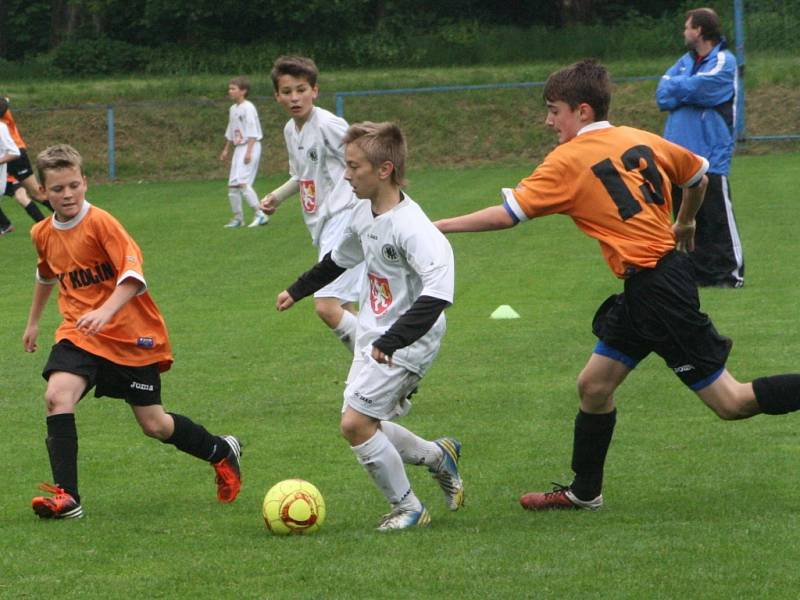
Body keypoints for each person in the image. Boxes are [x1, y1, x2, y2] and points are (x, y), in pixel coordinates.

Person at [435, 59, 800, 512]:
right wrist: (683, 222)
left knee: (731, 401)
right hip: (650, 283)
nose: (549, 121)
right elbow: (697, 176)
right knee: (594, 386)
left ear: (582, 111)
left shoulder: (569, 158)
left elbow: (508, 215)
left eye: (554, 111)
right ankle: (584, 492)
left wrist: (441, 225)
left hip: (659, 293)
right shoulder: (637, 136)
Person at [23, 144, 243, 520]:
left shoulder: (102, 224)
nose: (68, 194)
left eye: (73, 185)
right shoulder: (42, 233)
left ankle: (220, 450)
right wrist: (33, 322)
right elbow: (46, 274)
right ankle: (67, 497)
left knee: (154, 425)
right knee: (57, 396)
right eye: (57, 189)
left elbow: (132, 276)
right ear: (43, 192)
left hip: (130, 336)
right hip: (80, 333)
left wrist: (106, 312)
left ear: (85, 182)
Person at [276, 122, 464, 530]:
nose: (345, 175)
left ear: (384, 170)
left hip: (408, 341)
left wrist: (394, 341)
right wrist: (297, 290)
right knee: (365, 421)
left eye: (354, 167)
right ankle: (437, 456)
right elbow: (337, 261)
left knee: (355, 424)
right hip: (374, 333)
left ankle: (409, 508)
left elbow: (438, 293)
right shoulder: (363, 213)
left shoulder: (414, 229)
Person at [261, 56, 363, 354]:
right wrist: (276, 197)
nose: (295, 97)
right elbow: (301, 175)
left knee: (326, 306)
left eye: (301, 89)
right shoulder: (291, 131)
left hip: (346, 218)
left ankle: (385, 368)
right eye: (287, 91)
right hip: (323, 224)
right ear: (277, 96)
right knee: (345, 307)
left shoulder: (330, 125)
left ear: (315, 91)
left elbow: (361, 160)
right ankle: (382, 380)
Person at [656, 8, 744, 288]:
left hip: (710, 152)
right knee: (686, 218)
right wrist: (687, 90)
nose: (684, 32)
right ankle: (697, 274)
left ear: (700, 31)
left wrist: (681, 91)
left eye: (687, 27)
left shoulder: (724, 61)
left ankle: (729, 273)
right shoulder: (683, 62)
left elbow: (707, 89)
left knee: (715, 216)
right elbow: (662, 93)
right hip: (680, 156)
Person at [219, 76, 267, 228]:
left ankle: (260, 214)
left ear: (243, 91)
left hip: (250, 145)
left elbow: (253, 130)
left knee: (243, 182)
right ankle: (238, 218)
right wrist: (226, 149)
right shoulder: (233, 109)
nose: (230, 91)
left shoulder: (248, 107)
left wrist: (249, 151)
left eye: (233, 89)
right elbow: (231, 130)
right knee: (233, 185)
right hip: (239, 148)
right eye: (230, 88)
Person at [0, 95, 52, 208]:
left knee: (37, 194)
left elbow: (4, 101)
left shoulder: (3, 114)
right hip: (5, 153)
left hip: (13, 151)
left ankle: (69, 217)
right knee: (32, 194)